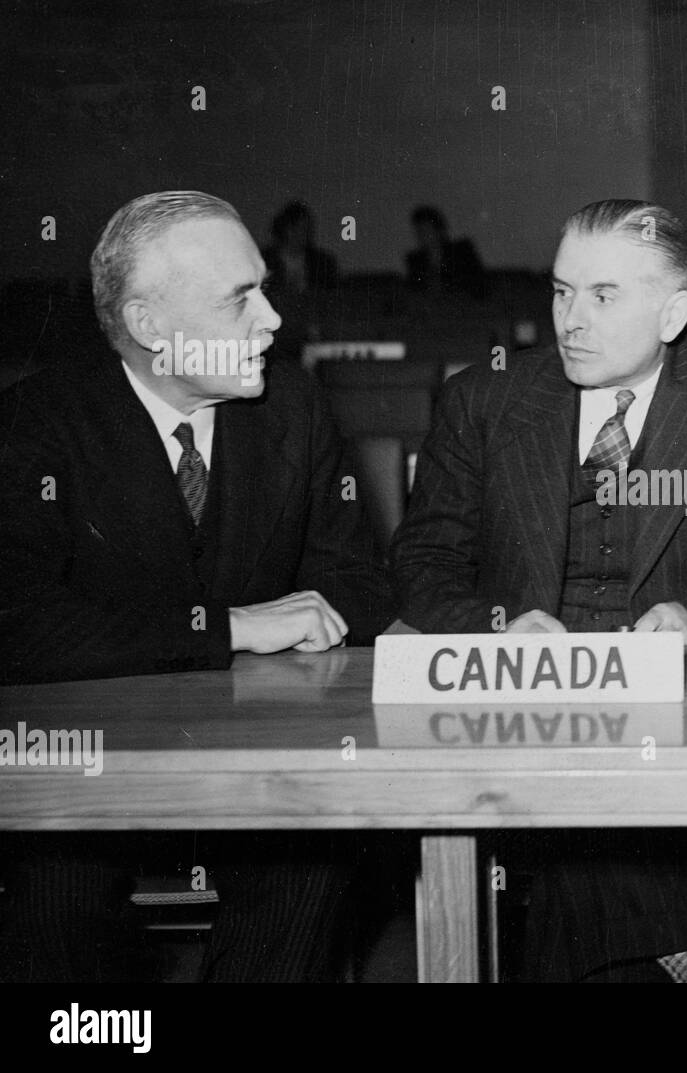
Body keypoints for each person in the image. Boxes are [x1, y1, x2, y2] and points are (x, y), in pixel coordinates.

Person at [392, 198, 687, 980]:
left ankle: (656, 949)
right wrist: (498, 624)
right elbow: (422, 562)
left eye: (603, 295)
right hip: (521, 698)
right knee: (574, 771)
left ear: (673, 312)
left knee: (591, 799)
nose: (570, 321)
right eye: (560, 292)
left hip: (686, 706)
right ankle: (679, 945)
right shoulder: (481, 401)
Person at [0, 190, 394, 981]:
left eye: (265, 289)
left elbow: (358, 581)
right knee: (51, 899)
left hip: (260, 767)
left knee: (312, 861)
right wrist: (228, 628)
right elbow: (18, 622)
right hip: (90, 775)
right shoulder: (38, 424)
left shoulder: (295, 408)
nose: (273, 320)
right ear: (150, 327)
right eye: (239, 298)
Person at [404, 204, 486, 300]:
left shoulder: (461, 251)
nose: (422, 235)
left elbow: (476, 283)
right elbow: (415, 290)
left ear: (439, 230)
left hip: (460, 303)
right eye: (419, 231)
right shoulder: (415, 260)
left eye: (426, 230)